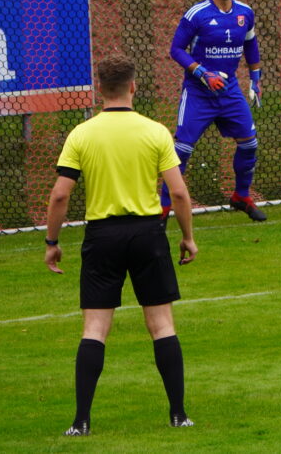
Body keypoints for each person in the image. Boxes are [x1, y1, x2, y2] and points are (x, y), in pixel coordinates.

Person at [44, 54, 198, 436]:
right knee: (161, 324)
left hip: (102, 237)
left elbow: (60, 196)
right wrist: (188, 237)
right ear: (133, 87)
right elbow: (178, 192)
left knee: (95, 328)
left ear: (100, 90)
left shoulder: (82, 134)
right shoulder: (155, 132)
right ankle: (178, 414)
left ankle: (81, 421)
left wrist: (52, 241)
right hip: (148, 234)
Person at [165, 0, 265, 221]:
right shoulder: (196, 14)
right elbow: (176, 50)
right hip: (198, 92)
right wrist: (201, 72)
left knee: (249, 144)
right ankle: (162, 208)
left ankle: (241, 196)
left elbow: (250, 44)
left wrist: (255, 78)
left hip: (230, 90)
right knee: (181, 150)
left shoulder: (245, 12)